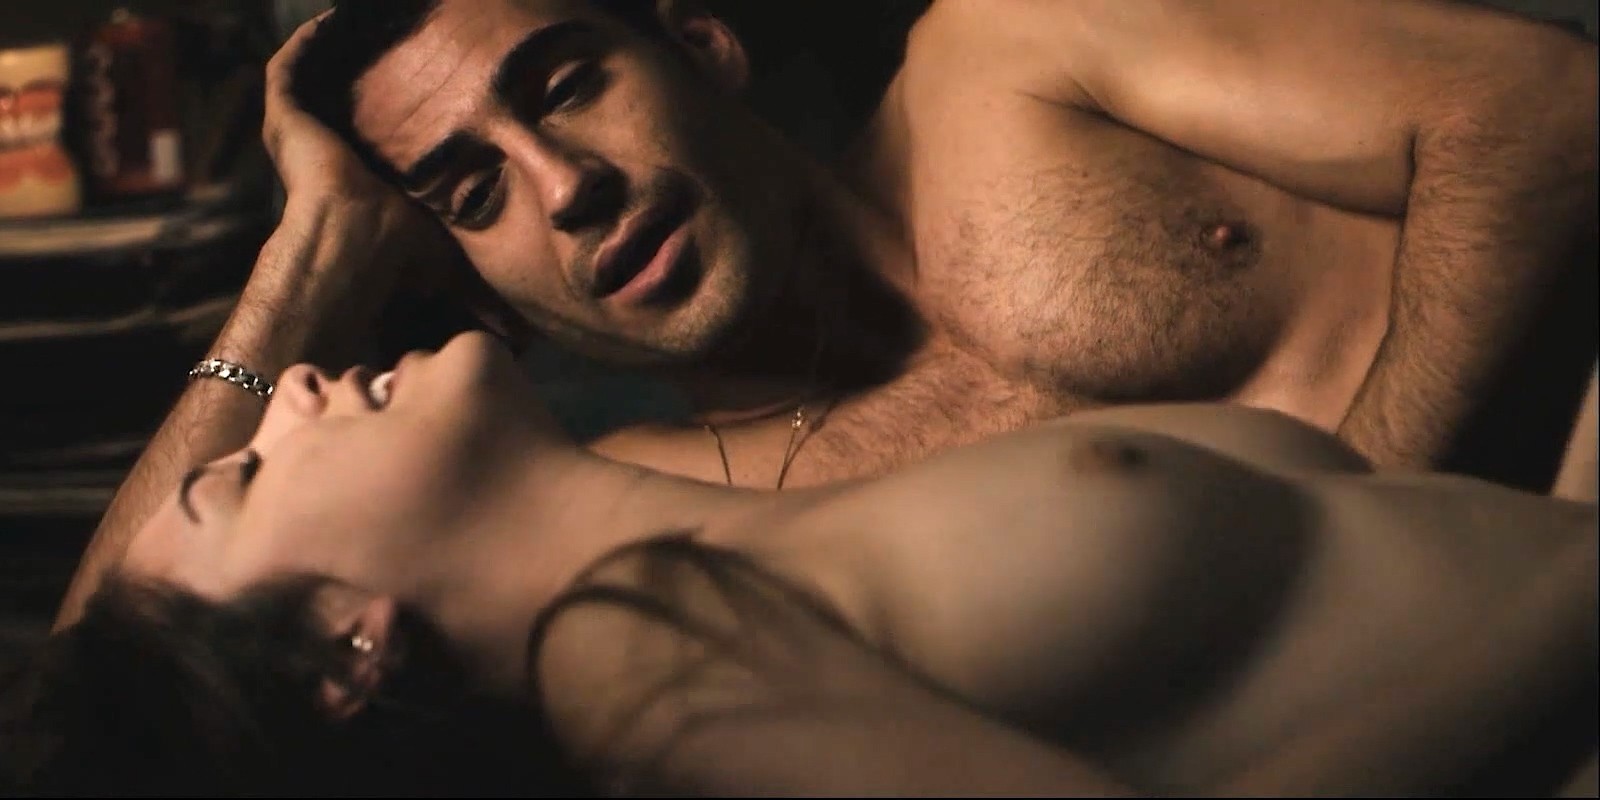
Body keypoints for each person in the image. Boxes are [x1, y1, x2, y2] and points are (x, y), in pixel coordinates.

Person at [51, 0, 1599, 622]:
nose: (565, 187)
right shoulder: (635, 511)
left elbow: (1541, 114)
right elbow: (117, 703)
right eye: (471, 194)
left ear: (702, 46)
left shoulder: (1011, 55)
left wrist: (1394, 534)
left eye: (567, 85)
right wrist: (313, 259)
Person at [10, 332, 1597, 795]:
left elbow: (1424, 570)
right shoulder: (633, 667)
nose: (282, 392)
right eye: (241, 482)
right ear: (344, 651)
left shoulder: (765, 542)